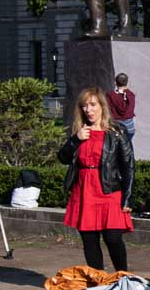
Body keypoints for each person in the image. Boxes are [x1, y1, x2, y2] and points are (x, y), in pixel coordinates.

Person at [58, 87, 135, 272]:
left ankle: (123, 277)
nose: (88, 110)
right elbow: (63, 158)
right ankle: (98, 282)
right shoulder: (80, 131)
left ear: (102, 106)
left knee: (113, 238)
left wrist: (128, 197)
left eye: (93, 105)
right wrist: (75, 140)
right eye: (84, 106)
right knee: (90, 241)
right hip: (84, 190)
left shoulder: (117, 131)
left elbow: (128, 166)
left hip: (109, 190)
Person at [106, 73, 137, 142]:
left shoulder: (110, 95)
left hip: (115, 127)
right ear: (127, 83)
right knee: (127, 146)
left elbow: (107, 108)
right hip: (129, 128)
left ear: (115, 82)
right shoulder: (131, 95)